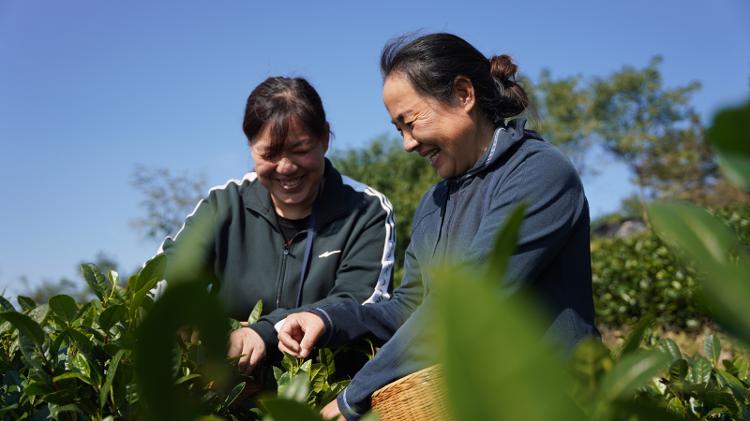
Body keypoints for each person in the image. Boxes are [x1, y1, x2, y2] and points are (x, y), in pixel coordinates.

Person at [277, 33, 598, 420]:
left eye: (411, 122)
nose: (408, 144)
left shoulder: (538, 173)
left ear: (464, 94)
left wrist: (352, 399)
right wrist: (327, 319)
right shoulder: (435, 202)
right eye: (399, 130)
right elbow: (409, 310)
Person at [153, 76, 395, 377]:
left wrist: (263, 331)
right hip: (230, 393)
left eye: (300, 149)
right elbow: (165, 278)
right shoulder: (223, 206)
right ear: (251, 147)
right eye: (269, 154)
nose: (286, 167)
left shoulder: (366, 211)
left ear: (324, 139)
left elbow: (359, 303)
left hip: (327, 394)